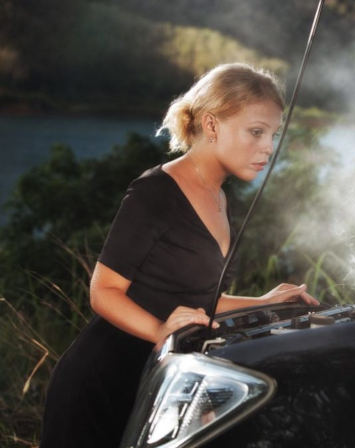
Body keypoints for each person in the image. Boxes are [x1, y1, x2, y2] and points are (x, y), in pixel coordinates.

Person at [40, 63, 319, 447]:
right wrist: (159, 333)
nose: (269, 147)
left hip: (159, 383)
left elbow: (193, 301)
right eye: (256, 132)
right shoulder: (155, 192)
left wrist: (264, 301)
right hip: (103, 381)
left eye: (272, 134)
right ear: (211, 125)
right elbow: (103, 291)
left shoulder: (219, 197)